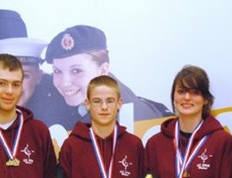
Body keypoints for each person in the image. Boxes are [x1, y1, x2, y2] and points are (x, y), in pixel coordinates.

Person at [42, 25, 171, 130]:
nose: (64, 83)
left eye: (76, 71)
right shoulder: (99, 92)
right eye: (57, 71)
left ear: (103, 70)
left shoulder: (121, 118)